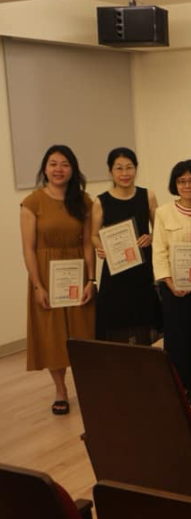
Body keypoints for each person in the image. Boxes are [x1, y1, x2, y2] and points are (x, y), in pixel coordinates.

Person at [20, 145, 97, 415]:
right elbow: (28, 247)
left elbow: (88, 243)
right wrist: (37, 286)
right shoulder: (32, 202)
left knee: (83, 333)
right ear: (45, 168)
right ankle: (60, 390)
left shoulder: (84, 201)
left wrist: (91, 279)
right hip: (46, 274)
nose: (58, 169)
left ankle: (87, 388)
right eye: (53, 164)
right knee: (52, 335)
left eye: (65, 164)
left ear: (73, 169)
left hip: (77, 274)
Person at [152, 160, 191, 406]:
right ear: (175, 184)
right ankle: (179, 387)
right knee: (176, 338)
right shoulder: (163, 212)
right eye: (182, 181)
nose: (187, 185)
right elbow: (159, 250)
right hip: (172, 287)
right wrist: (168, 281)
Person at [92, 147, 162, 344]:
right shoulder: (101, 201)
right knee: (117, 323)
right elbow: (93, 235)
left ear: (136, 169)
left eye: (129, 167)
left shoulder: (147, 195)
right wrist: (101, 247)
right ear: (111, 171)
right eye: (119, 168)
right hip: (116, 271)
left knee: (144, 321)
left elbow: (160, 230)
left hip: (142, 268)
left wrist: (151, 237)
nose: (125, 173)